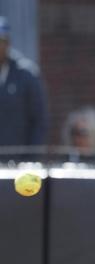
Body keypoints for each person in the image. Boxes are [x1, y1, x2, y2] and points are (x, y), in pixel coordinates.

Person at [0, 16, 48, 162]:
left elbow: (39, 122)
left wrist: (30, 161)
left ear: (7, 43)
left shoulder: (27, 75)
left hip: (18, 166)